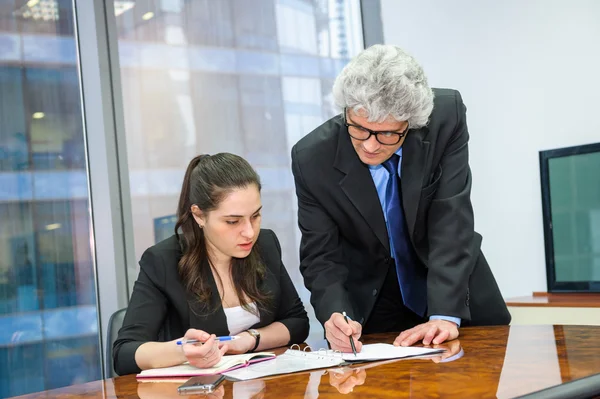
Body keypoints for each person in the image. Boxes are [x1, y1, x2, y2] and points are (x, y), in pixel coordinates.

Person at [291, 44, 510, 353]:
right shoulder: (311, 157)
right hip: (373, 301)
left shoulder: (445, 117)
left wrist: (445, 315)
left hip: (452, 285)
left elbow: (452, 218)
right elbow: (321, 255)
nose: (369, 146)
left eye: (387, 135)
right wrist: (335, 315)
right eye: (359, 129)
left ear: (412, 123)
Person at [113, 153, 309, 375]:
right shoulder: (163, 260)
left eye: (255, 216)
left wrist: (249, 339)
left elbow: (297, 322)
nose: (249, 232)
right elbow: (124, 354)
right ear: (199, 216)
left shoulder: (265, 244)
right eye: (233, 221)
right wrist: (183, 352)